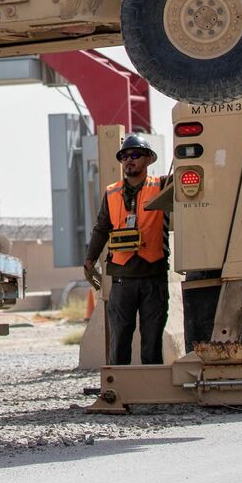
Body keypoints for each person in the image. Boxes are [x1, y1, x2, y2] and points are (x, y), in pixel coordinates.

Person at [83, 134, 170, 366]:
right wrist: (90, 259)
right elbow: (101, 228)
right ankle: (120, 388)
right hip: (123, 278)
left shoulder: (162, 186)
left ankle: (152, 391)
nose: (128, 160)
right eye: (124, 156)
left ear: (149, 159)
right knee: (120, 337)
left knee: (152, 339)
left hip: (154, 275)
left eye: (135, 155)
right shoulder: (112, 192)